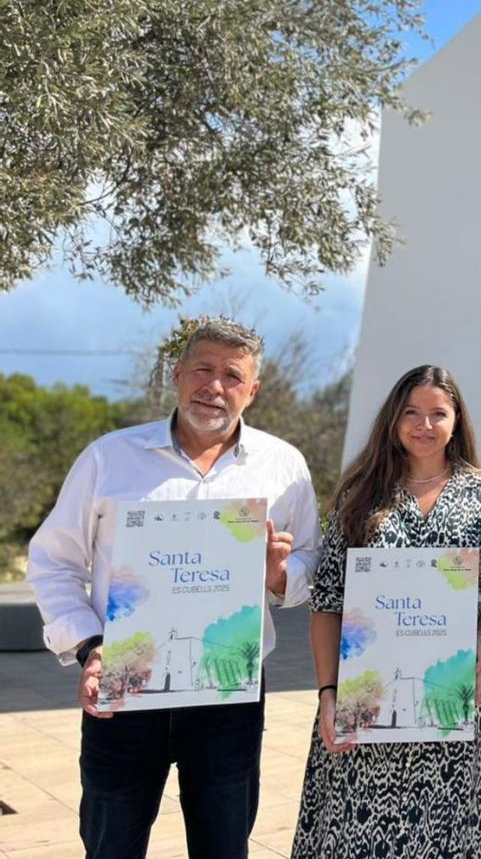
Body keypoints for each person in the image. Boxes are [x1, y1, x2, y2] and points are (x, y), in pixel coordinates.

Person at [27, 318, 321, 859]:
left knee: (224, 846)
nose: (215, 386)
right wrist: (90, 648)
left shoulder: (285, 467)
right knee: (110, 844)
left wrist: (278, 575)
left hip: (229, 693)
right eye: (203, 369)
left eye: (232, 375)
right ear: (178, 374)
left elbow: (309, 563)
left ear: (252, 391)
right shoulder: (108, 459)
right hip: (123, 685)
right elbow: (53, 562)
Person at [290, 364, 481, 859]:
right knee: (359, 834)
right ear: (393, 419)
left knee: (449, 834)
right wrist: (329, 692)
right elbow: (328, 603)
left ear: (457, 420)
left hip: (453, 698)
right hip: (365, 697)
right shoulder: (359, 494)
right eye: (412, 412)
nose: (425, 424)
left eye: (438, 412)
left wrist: (479, 642)